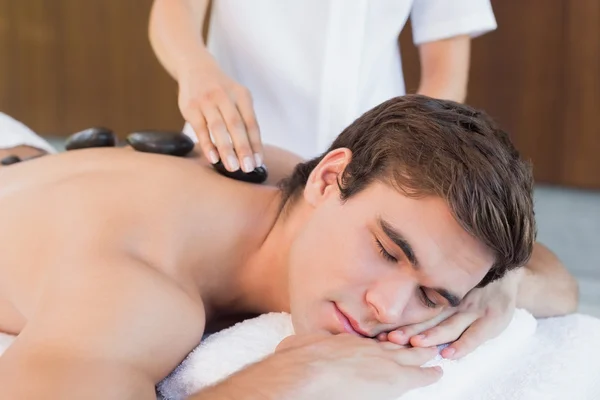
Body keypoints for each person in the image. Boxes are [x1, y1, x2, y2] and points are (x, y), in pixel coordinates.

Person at [0, 96, 578, 399]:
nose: (390, 308)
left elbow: (560, 281)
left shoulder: (279, 172)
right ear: (330, 179)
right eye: (386, 251)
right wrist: (287, 383)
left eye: (432, 294)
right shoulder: (137, 292)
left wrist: (499, 289)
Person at [148, 0, 498, 173]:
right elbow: (174, 9)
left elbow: (445, 73)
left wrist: (404, 158)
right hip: (234, 150)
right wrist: (196, 69)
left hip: (371, 166)